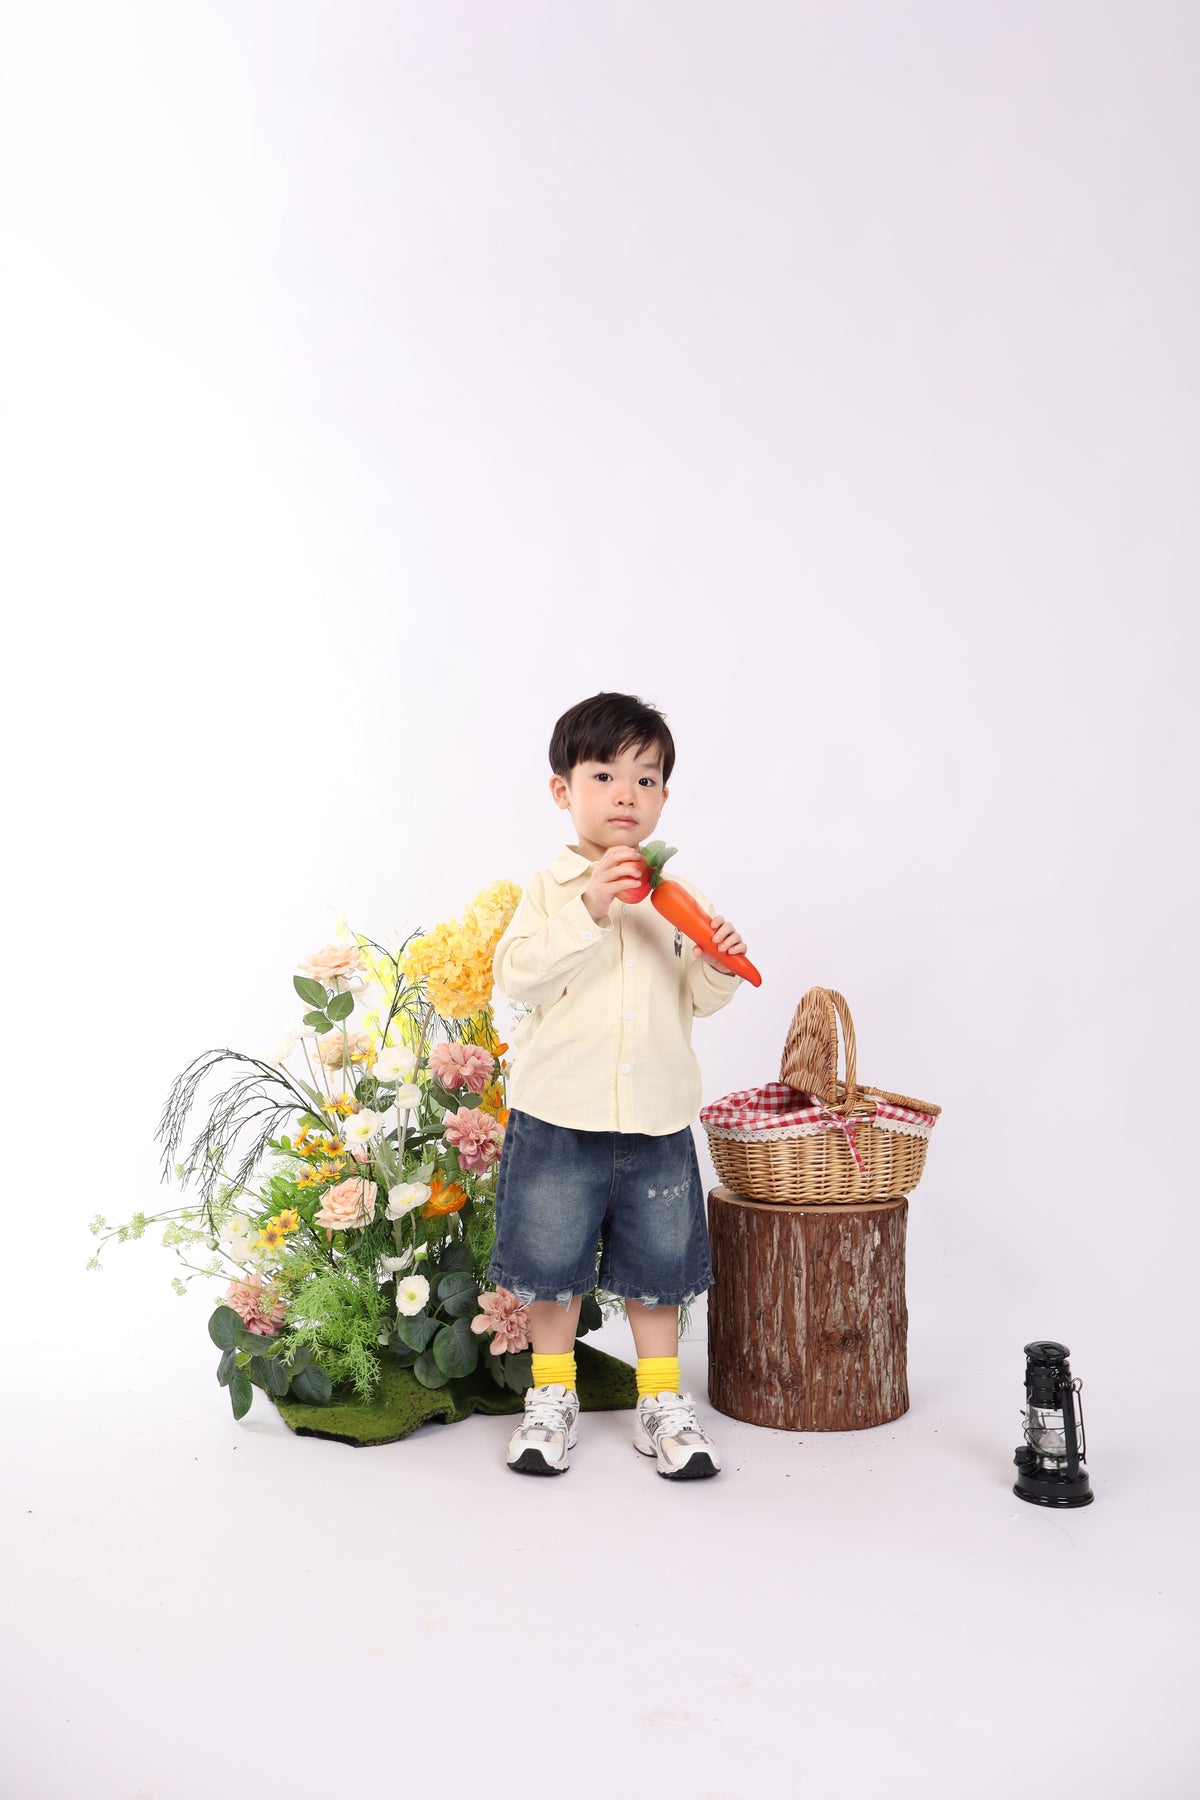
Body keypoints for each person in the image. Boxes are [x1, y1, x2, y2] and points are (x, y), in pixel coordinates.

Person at [488, 691, 750, 1479]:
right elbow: (519, 976)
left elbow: (699, 998)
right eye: (603, 775)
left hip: (656, 1118)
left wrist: (717, 961)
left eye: (646, 778)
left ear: (664, 796)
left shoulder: (681, 900)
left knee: (658, 1270)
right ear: (562, 790)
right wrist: (591, 906)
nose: (626, 794)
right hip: (558, 1117)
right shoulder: (549, 891)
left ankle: (660, 1401)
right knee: (550, 1265)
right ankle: (552, 1394)